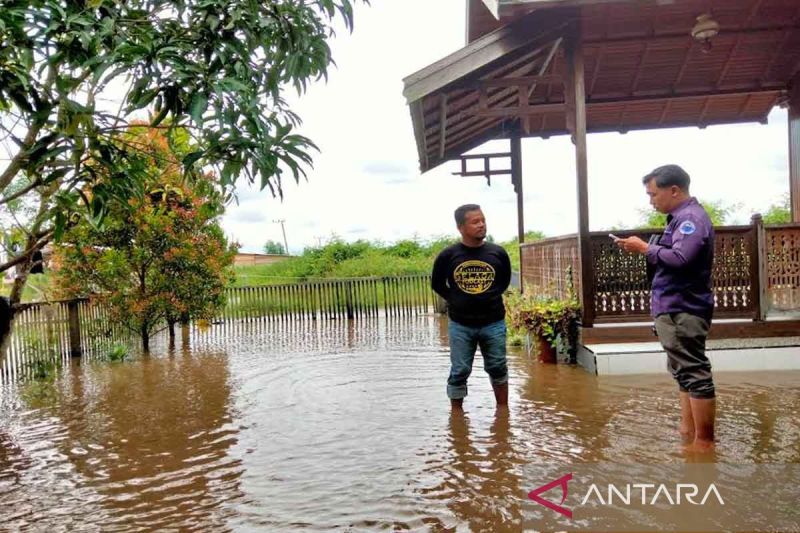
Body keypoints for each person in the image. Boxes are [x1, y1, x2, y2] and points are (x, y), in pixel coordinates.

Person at [615, 164, 716, 451]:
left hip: (683, 306)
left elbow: (682, 258)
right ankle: (690, 432)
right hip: (673, 306)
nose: (651, 200)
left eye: (653, 194)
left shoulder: (691, 219)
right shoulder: (679, 219)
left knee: (694, 370)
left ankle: (705, 443)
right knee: (683, 371)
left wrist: (645, 248)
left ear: (674, 190)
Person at [432, 204, 512, 411]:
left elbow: (503, 281)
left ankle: (503, 413)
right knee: (460, 370)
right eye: (475, 221)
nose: (481, 225)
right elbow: (437, 284)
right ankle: (456, 417)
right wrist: (456, 299)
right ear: (460, 227)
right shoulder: (448, 256)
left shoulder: (498, 253)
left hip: (493, 322)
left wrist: (489, 296)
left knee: (497, 367)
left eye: (483, 220)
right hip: (461, 324)